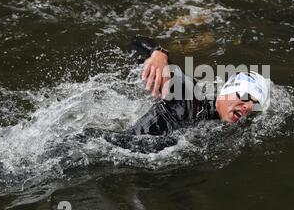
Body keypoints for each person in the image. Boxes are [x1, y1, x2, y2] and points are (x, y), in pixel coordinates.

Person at [84, 36, 270, 153]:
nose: (247, 106)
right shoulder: (190, 94)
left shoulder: (217, 127)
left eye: (254, 104)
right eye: (245, 96)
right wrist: (158, 54)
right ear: (228, 90)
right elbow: (136, 43)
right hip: (93, 148)